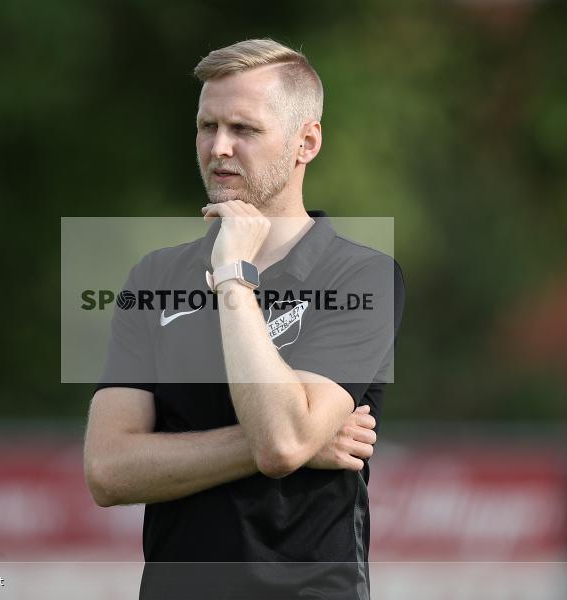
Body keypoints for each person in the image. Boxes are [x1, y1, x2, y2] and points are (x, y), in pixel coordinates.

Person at [84, 38, 404, 599]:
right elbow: (108, 470)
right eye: (208, 126)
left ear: (307, 141)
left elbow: (280, 441)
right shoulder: (155, 277)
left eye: (244, 130)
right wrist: (292, 441)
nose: (219, 148)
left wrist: (234, 273)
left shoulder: (360, 276)